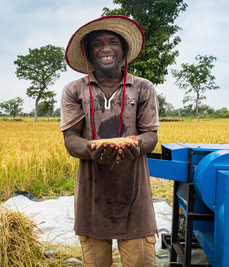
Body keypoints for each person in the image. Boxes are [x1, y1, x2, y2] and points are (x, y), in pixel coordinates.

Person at [61, 15, 159, 267]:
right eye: (97, 44)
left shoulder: (142, 88)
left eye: (113, 42)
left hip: (135, 196)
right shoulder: (75, 90)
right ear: (88, 53)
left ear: (124, 50)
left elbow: (151, 135)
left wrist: (135, 144)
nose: (105, 48)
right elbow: (71, 139)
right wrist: (92, 148)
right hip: (92, 198)